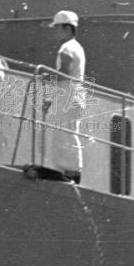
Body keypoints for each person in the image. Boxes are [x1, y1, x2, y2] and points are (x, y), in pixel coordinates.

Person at [38, 10, 87, 182]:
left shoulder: (67, 48)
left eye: (57, 28)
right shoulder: (77, 47)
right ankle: (70, 172)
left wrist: (45, 77)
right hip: (73, 95)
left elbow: (65, 72)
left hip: (67, 96)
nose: (55, 31)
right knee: (67, 134)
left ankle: (65, 172)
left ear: (67, 28)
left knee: (62, 135)